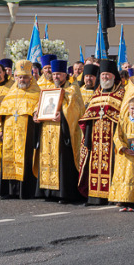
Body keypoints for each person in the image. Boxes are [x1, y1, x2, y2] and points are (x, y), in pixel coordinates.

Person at [77, 60, 125, 205]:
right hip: (95, 139)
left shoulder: (121, 93)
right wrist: (87, 141)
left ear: (113, 76)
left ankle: (111, 196)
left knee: (112, 166)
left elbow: (122, 117)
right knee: (93, 165)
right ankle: (94, 197)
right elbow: (88, 118)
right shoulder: (96, 95)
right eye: (103, 75)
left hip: (112, 139)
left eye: (108, 75)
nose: (105, 78)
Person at [36, 60, 84, 203]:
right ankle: (48, 192)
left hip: (63, 132)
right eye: (54, 74)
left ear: (65, 75)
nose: (56, 77)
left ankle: (64, 193)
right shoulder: (48, 89)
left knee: (63, 162)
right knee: (47, 159)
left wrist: (62, 117)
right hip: (47, 129)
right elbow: (39, 105)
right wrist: (36, 114)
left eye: (59, 74)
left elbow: (76, 111)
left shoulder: (73, 89)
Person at [0, 60, 42, 199]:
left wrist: (36, 112)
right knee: (9, 158)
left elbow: (39, 107)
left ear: (31, 77)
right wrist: (0, 130)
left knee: (25, 159)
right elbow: (2, 114)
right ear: (16, 77)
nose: (22, 80)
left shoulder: (37, 92)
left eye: (25, 77)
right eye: (20, 77)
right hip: (10, 133)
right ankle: (10, 191)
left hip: (27, 133)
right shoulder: (11, 93)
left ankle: (25, 191)